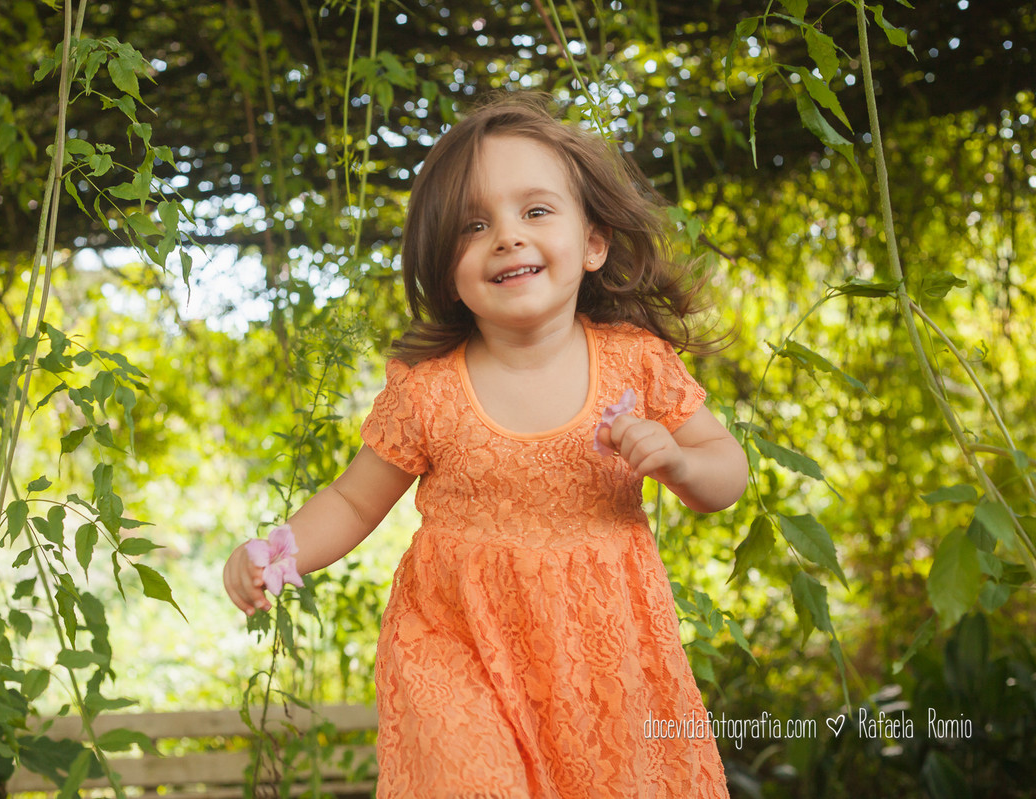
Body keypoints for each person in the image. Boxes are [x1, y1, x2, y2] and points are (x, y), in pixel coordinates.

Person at [224, 94, 747, 798]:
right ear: (447, 270)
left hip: (602, 651)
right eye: (475, 224)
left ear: (592, 241)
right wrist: (275, 550)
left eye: (536, 211)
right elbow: (352, 500)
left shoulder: (635, 364)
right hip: (454, 645)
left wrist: (681, 463)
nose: (508, 236)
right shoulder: (428, 391)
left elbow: (727, 472)